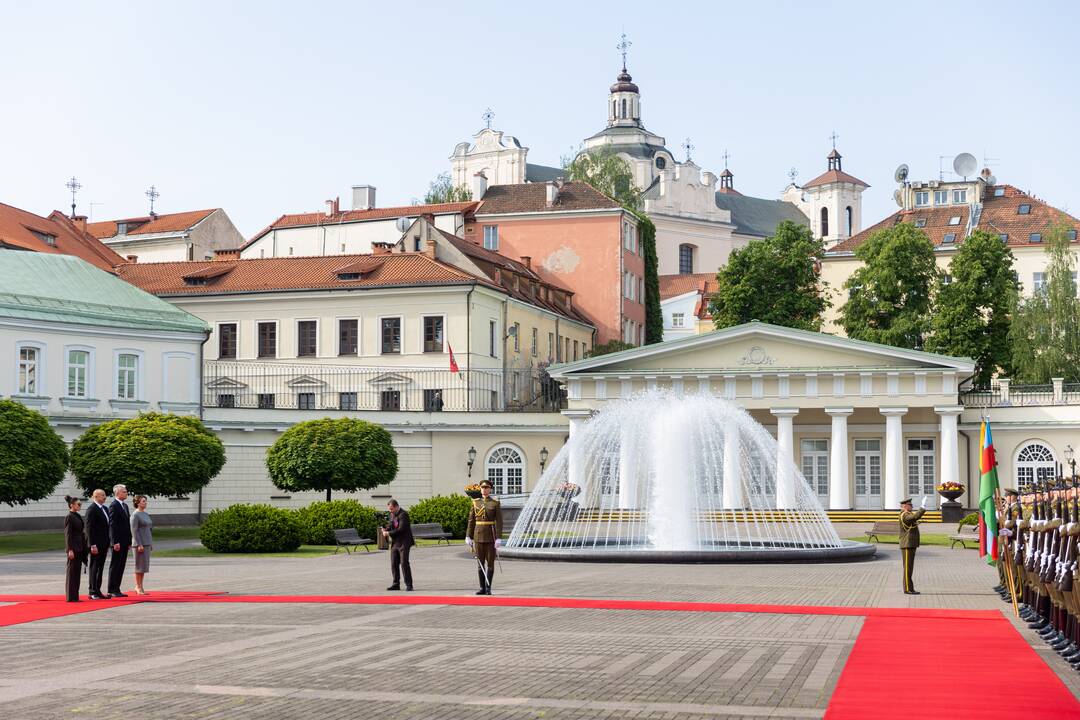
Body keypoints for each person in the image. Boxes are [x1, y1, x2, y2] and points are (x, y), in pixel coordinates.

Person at [466, 479, 503, 595]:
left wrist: (498, 537)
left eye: (486, 488)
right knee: (480, 564)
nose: (484, 490)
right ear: (480, 489)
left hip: (490, 536)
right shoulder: (475, 502)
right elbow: (471, 520)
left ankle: (488, 587)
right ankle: (482, 588)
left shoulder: (495, 503)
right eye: (482, 488)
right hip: (478, 536)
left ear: (490, 489)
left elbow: (499, 521)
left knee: (490, 563)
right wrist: (468, 535)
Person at [84, 488, 111, 600]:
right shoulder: (92, 509)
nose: (105, 497)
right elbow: (89, 528)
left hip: (104, 543)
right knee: (94, 567)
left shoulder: (105, 508)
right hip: (96, 544)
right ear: (96, 496)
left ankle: (98, 590)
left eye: (105, 495)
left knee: (100, 567)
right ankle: (92, 591)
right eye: (102, 495)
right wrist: (92, 544)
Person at [382, 499, 414, 591]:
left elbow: (401, 530)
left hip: (404, 542)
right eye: (389, 509)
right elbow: (391, 525)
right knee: (394, 563)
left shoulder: (403, 514)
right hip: (395, 542)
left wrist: (388, 534)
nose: (390, 511)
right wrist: (385, 529)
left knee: (404, 563)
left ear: (396, 506)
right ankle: (396, 584)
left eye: (391, 509)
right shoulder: (392, 514)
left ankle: (409, 585)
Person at [107, 484, 132, 598]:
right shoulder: (113, 506)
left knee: (121, 565)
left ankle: (117, 588)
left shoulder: (125, 506)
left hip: (124, 541)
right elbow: (112, 525)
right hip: (117, 542)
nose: (126, 493)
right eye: (124, 491)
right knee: (115, 565)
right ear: (117, 493)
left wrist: (129, 541)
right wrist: (114, 542)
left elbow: (127, 525)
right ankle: (112, 589)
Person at [899, 496, 928, 595]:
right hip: (907, 544)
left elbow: (913, 521)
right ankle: (907, 588)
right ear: (905, 506)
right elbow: (914, 517)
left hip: (910, 544)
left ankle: (910, 588)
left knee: (909, 567)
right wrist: (922, 507)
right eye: (910, 505)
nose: (912, 506)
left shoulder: (907, 514)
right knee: (908, 568)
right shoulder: (904, 515)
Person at [64, 496, 86, 602]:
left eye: (80, 504)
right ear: (72, 505)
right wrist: (70, 549)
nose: (80, 506)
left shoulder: (77, 515)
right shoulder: (69, 516)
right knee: (72, 572)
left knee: (77, 572)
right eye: (78, 504)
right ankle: (70, 596)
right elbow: (68, 534)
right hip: (73, 547)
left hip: (79, 546)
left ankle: (75, 596)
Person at [130, 495, 153, 596]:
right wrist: (139, 544)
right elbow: (134, 531)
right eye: (143, 501)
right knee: (139, 566)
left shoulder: (146, 514)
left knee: (143, 567)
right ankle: (137, 586)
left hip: (147, 542)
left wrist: (150, 543)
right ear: (138, 503)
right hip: (139, 544)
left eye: (146, 501)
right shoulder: (135, 515)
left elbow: (149, 529)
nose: (145, 503)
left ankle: (141, 585)